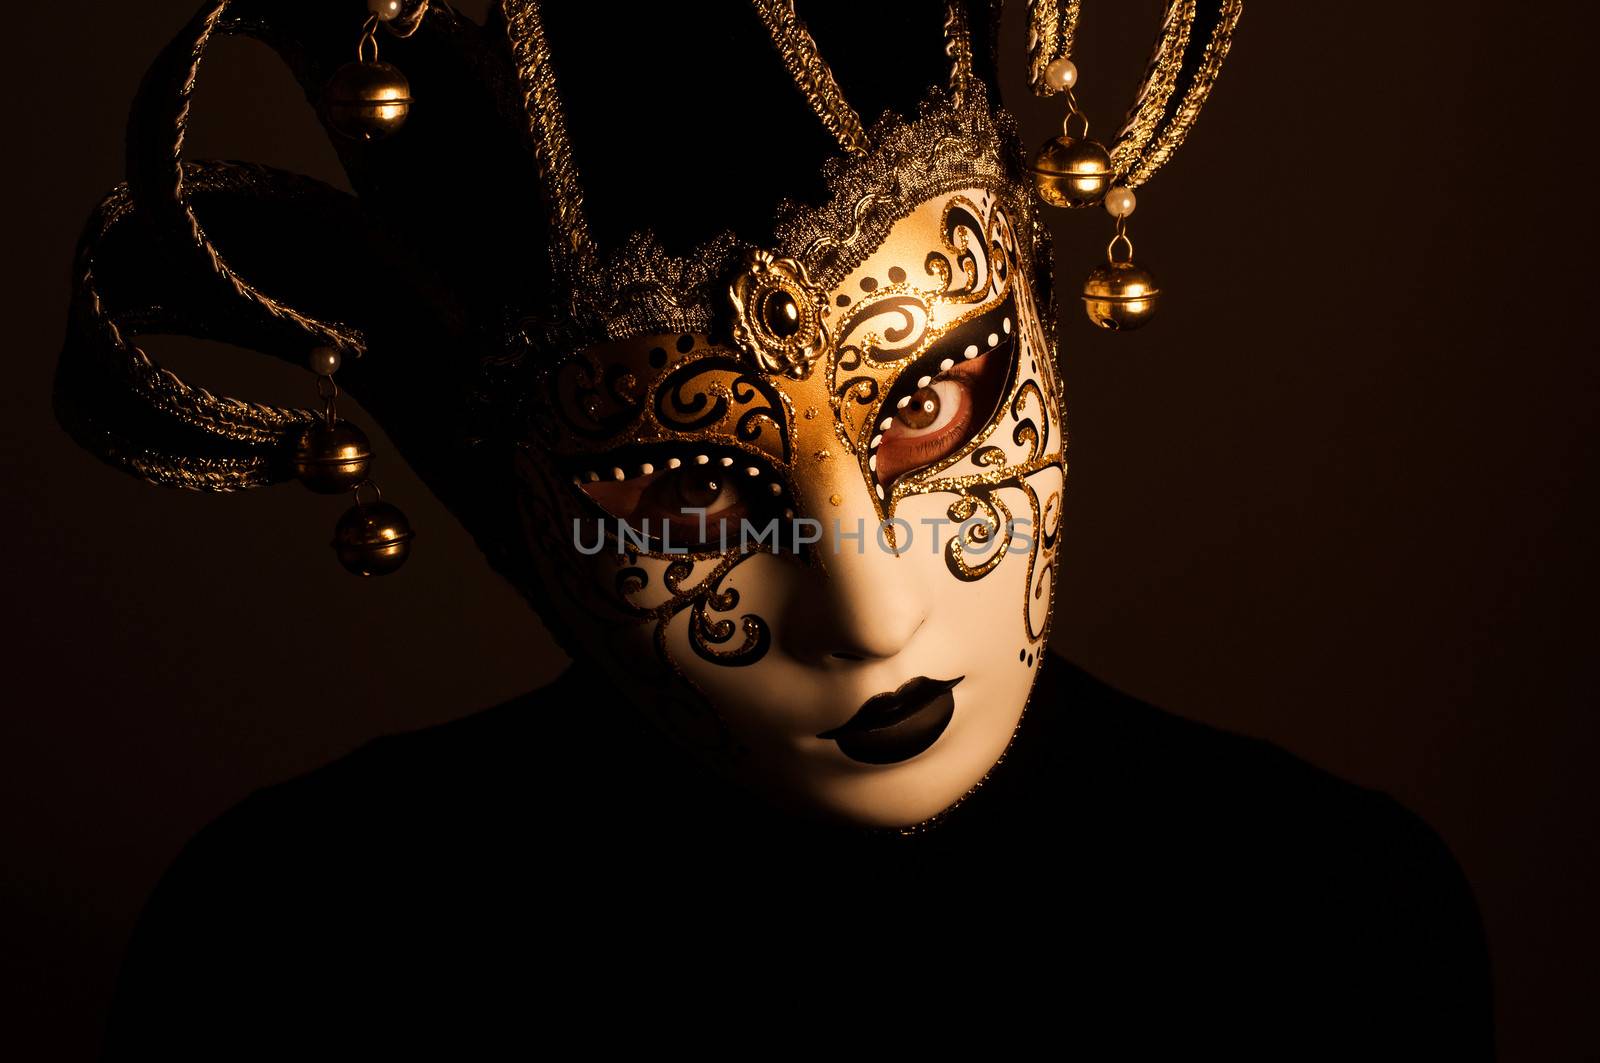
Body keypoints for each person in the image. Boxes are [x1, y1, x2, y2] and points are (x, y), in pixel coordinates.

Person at [57, 0, 1492, 1053]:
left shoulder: (1333, 926)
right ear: (511, 510)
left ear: (1037, 316)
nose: (868, 613)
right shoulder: (299, 957)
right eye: (682, 484)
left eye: (930, 401)